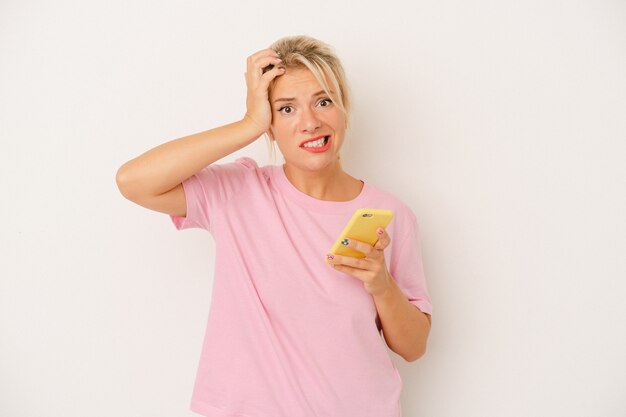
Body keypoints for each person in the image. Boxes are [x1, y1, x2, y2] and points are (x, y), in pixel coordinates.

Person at [116, 35, 432, 417]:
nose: (310, 122)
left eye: (324, 101)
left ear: (343, 109)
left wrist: (381, 286)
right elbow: (133, 181)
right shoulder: (238, 192)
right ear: (269, 125)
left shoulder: (390, 213)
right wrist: (247, 123)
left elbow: (414, 347)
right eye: (286, 109)